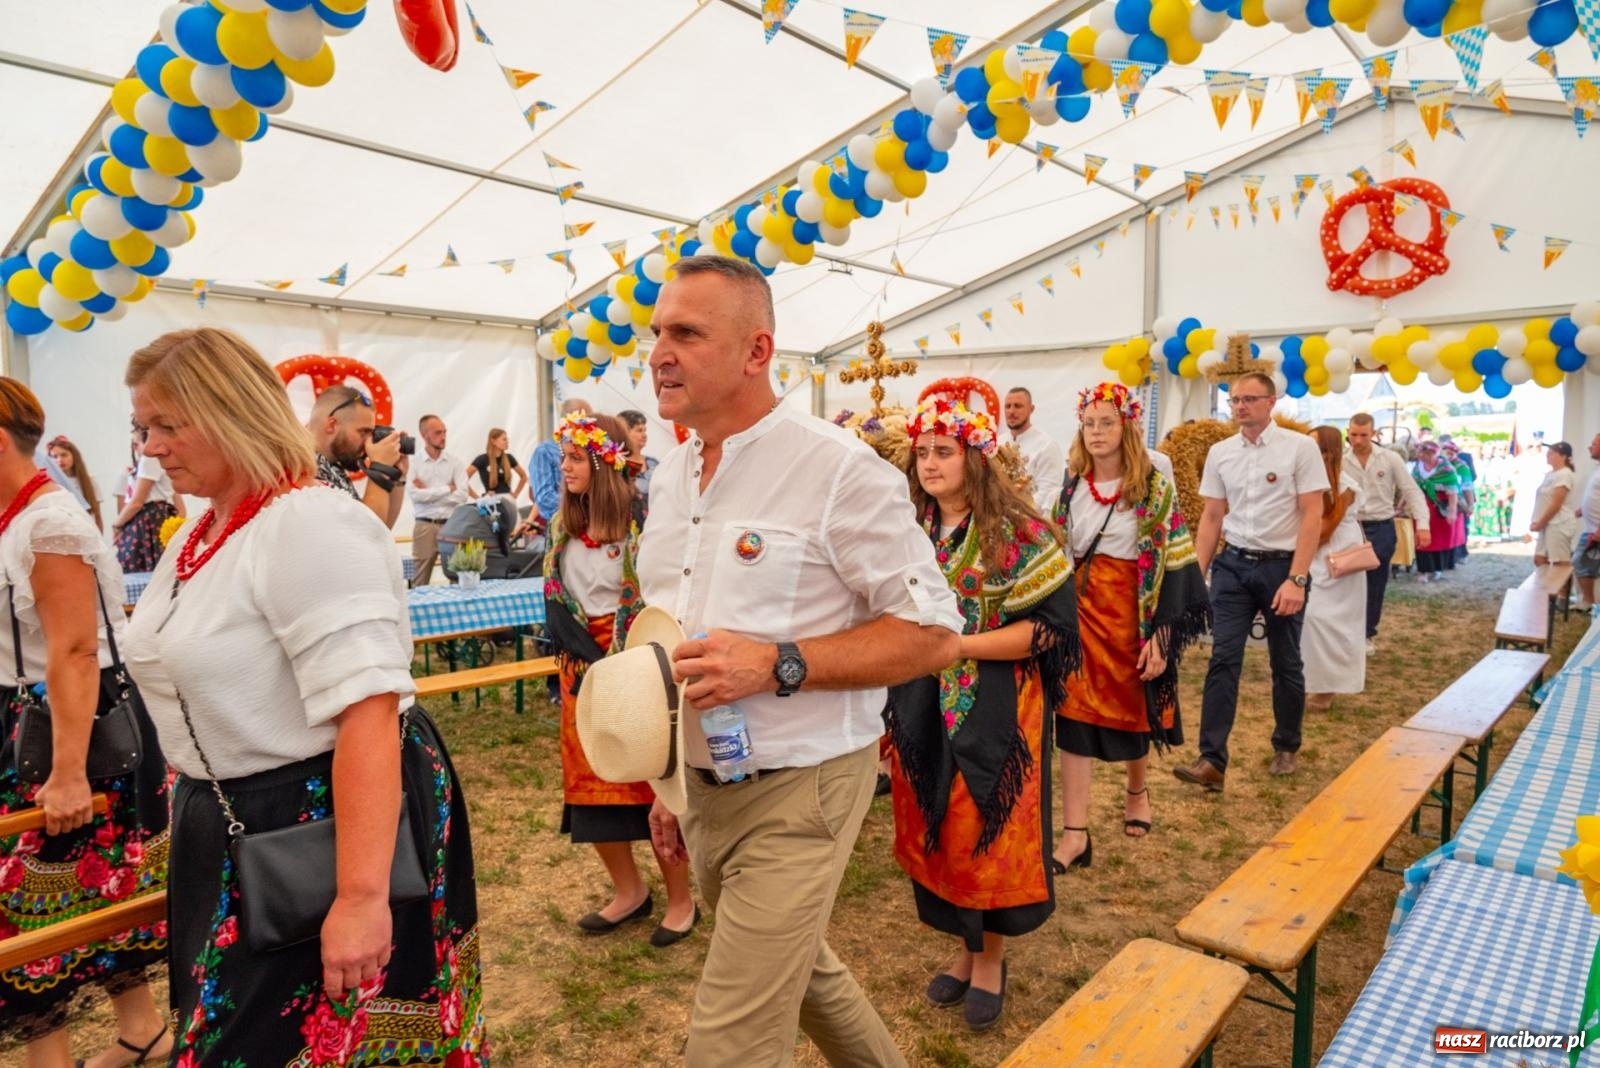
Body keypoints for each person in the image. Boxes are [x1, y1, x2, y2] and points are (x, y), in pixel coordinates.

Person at [120, 327, 487, 1064]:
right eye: (142, 428)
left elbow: (368, 713)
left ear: (230, 413)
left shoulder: (307, 522)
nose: (150, 447)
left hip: (322, 822)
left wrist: (359, 898)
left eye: (167, 425)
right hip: (236, 819)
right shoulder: (207, 527)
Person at [639, 256, 961, 1066]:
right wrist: (664, 783)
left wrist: (778, 663)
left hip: (803, 785)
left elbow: (932, 632)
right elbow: (668, 637)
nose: (659, 352)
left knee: (730, 1044)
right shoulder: (672, 476)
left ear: (757, 352)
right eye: (656, 333)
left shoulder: (838, 468)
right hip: (703, 784)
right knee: (804, 975)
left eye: (686, 333)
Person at [888, 395, 1075, 1033]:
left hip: (996, 704)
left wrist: (956, 646)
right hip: (921, 697)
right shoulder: (910, 530)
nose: (931, 463)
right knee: (936, 820)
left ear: (975, 457)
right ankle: (965, 949)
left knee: (981, 830)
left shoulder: (1021, 533)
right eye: (923, 452)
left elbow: (1050, 632)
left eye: (944, 451)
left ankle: (990, 961)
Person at [0, 381, 171, 1066]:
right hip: (42, 719)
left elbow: (75, 653)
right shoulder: (23, 518)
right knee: (90, 884)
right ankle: (144, 1030)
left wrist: (68, 772)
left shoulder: (49, 523)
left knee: (31, 902)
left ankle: (52, 1058)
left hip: (70, 729)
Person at [542, 410, 698, 945]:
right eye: (563, 456)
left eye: (574, 457)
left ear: (604, 462)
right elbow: (557, 599)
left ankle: (681, 901)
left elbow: (661, 597)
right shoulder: (561, 528)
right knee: (591, 790)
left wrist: (626, 654)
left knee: (651, 782)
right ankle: (629, 892)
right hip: (582, 671)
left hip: (635, 663)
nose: (564, 466)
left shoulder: (643, 522)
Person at [1053, 383, 1208, 867]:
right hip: (1081, 618)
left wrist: (1161, 638)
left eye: (1107, 422)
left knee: (1136, 713)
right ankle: (1074, 834)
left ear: (1126, 428)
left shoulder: (1152, 488)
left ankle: (1137, 791)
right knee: (1072, 719)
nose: (1096, 432)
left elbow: (1179, 568)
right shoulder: (1072, 485)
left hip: (1131, 620)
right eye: (1089, 423)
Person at [1175, 373, 1327, 789]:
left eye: (1248, 399)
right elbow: (1211, 517)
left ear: (1271, 402)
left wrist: (1297, 578)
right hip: (1234, 567)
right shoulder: (1221, 453)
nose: (1239, 406)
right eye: (1234, 400)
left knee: (1285, 660)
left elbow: (1312, 514)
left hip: (1282, 568)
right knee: (1223, 659)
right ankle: (1211, 761)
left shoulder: (1300, 449)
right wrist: (1196, 575)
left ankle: (1286, 745)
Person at [1344, 413, 1429, 649]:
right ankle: (1346, 631)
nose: (1358, 440)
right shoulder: (1341, 459)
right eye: (1353, 435)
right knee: (1346, 581)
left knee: (1375, 582)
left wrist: (1422, 524)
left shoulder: (1390, 458)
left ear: (1373, 434)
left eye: (1363, 435)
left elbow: (1411, 491)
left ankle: (1367, 634)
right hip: (1350, 526)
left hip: (1380, 526)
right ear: (1347, 433)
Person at [1303, 427, 1367, 712]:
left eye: (1314, 447)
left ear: (1329, 452)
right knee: (1309, 619)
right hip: (1311, 552)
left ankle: (1330, 687)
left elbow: (1327, 529)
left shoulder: (1346, 485)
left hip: (1337, 556)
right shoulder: (1305, 479)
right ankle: (1311, 680)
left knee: (1330, 621)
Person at [306, 385, 407, 529]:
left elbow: (382, 531)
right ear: (332, 425)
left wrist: (397, 476)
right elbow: (367, 532)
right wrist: (379, 468)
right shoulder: (304, 470)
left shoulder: (333, 466)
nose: (368, 441)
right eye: (363, 432)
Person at [110, 424, 183, 574]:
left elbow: (136, 502)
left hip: (147, 521)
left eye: (136, 443)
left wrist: (116, 525)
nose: (136, 448)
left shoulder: (148, 460)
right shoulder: (150, 463)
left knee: (142, 570)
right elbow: (178, 501)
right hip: (158, 517)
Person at [407, 414, 468, 585]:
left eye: (444, 432)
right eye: (438, 433)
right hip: (425, 526)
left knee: (459, 578)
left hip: (452, 525)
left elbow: (463, 495)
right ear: (424, 435)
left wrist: (428, 493)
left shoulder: (455, 462)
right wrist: (448, 489)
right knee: (420, 580)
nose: (443, 437)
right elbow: (414, 495)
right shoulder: (413, 463)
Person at [530, 399, 592, 527]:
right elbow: (544, 498)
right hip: (563, 527)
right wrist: (583, 504)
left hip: (594, 522)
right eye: (587, 419)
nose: (592, 424)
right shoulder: (545, 451)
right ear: (569, 420)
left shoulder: (592, 448)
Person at [1002, 387, 1064, 512]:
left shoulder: (1047, 445)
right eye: (1008, 406)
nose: (1011, 411)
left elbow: (1048, 492)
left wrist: (1015, 513)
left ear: (1031, 409)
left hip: (1031, 520)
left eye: (1018, 406)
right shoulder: (997, 443)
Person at [1410, 441, 1461, 582]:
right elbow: (1411, 487)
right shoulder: (1417, 467)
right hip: (1420, 505)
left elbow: (1453, 493)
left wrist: (1452, 511)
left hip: (1438, 507)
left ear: (1434, 453)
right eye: (1421, 453)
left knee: (1437, 539)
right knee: (1420, 536)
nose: (1422, 456)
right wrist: (1402, 506)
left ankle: (1437, 568)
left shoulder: (1446, 469)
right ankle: (1422, 570)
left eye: (1426, 453)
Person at [1529, 441, 1579, 568]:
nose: (1548, 455)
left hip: (1559, 523)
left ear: (1563, 456)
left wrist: (1541, 522)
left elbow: (1556, 503)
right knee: (1539, 559)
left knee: (1559, 562)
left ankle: (1563, 588)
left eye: (1552, 453)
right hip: (1548, 523)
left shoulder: (1565, 474)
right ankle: (1545, 586)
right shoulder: (1551, 474)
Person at [45, 434, 104, 532]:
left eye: (64, 455)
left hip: (85, 531)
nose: (59, 460)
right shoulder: (50, 484)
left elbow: (97, 515)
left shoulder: (89, 482)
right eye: (55, 457)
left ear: (74, 456)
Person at [467, 428, 527, 501]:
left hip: (508, 500)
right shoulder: (482, 459)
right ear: (493, 441)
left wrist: (516, 494)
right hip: (490, 501)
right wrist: (478, 499)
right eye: (504, 439)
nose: (507, 442)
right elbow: (462, 480)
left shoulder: (509, 458)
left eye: (507, 439)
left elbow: (524, 476)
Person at [1576, 433, 1600, 613]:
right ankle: (1589, 603)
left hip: (1596, 531)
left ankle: (1589, 604)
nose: (1590, 447)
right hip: (1591, 528)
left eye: (1594, 444)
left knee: (1581, 562)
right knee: (1583, 564)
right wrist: (1583, 509)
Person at [617, 410, 658, 506]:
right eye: (639, 430)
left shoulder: (653, 463)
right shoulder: (617, 464)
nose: (644, 435)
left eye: (645, 430)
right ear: (624, 433)